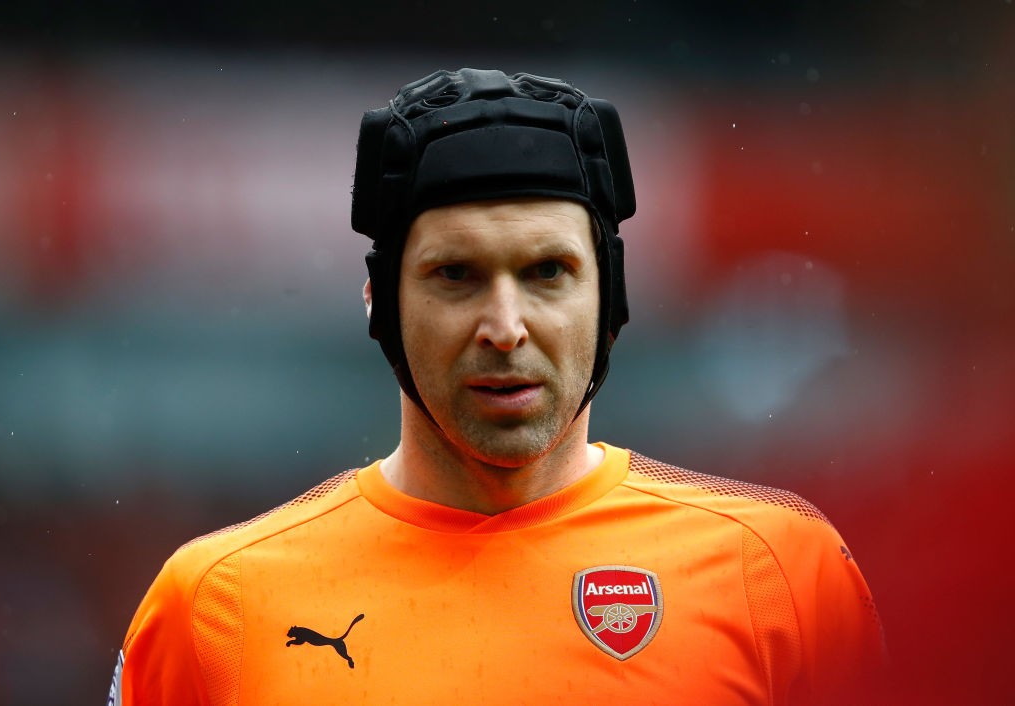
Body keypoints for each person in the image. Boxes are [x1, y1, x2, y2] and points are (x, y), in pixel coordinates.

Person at [109, 68, 886, 705]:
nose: (505, 327)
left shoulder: (781, 576)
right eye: (456, 275)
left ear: (610, 297)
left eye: (548, 272)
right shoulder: (216, 608)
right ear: (380, 303)